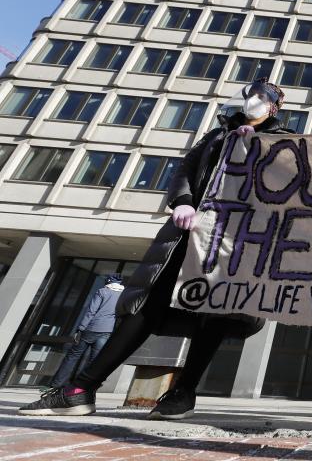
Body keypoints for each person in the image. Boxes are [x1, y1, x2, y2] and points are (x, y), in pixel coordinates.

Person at [19, 79, 291, 420]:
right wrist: (183, 201)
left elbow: (289, 185)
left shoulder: (283, 141)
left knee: (217, 312)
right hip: (187, 233)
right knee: (150, 304)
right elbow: (186, 170)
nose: (254, 101)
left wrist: (259, 152)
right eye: (252, 93)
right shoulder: (216, 135)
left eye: (264, 98)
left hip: (234, 242)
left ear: (274, 109)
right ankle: (80, 389)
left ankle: (183, 392)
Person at [48, 274, 124, 389]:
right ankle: (80, 387)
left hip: (91, 328)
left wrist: (80, 328)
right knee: (94, 362)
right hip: (107, 330)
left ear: (108, 281)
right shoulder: (123, 295)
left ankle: (56, 384)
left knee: (73, 356)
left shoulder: (102, 291)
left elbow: (91, 311)